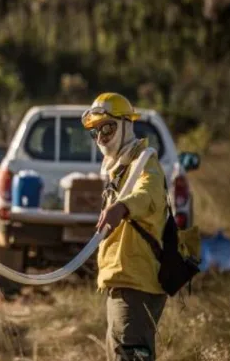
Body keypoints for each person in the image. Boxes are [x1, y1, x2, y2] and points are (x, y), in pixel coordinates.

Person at [83, 92, 168, 361]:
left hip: (137, 283)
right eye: (95, 132)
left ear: (125, 125)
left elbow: (149, 194)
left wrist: (122, 206)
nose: (101, 137)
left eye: (107, 128)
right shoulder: (120, 168)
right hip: (122, 282)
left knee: (129, 354)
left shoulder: (144, 162)